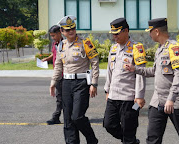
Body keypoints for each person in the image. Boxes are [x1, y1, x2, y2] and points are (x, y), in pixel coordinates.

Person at [125, 18, 179, 144]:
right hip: (158, 100)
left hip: (176, 101)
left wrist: (171, 98)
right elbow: (154, 71)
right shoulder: (159, 49)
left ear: (157, 31)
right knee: (152, 137)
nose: (149, 34)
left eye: (150, 31)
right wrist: (134, 69)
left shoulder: (174, 48)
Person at [50, 15, 99, 144]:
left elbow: (95, 63)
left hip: (81, 83)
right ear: (62, 31)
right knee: (68, 119)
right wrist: (53, 82)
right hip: (66, 83)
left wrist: (94, 83)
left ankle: (91, 139)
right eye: (67, 30)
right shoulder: (61, 45)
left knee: (77, 116)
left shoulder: (85, 43)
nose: (71, 31)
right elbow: (58, 65)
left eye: (73, 28)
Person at [103, 17, 147, 144]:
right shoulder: (113, 48)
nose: (114, 37)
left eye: (117, 34)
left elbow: (140, 74)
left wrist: (139, 96)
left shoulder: (136, 48)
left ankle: (129, 140)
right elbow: (109, 71)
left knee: (129, 128)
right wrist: (107, 90)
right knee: (108, 124)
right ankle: (131, 141)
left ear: (126, 31)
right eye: (113, 34)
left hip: (129, 98)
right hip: (113, 96)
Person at [42, 25, 63, 125]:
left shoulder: (65, 44)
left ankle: (57, 117)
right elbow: (54, 54)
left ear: (60, 33)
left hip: (65, 75)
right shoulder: (55, 44)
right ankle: (57, 117)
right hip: (57, 74)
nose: (52, 38)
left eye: (54, 35)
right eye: (51, 36)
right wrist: (47, 59)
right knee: (60, 98)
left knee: (61, 98)